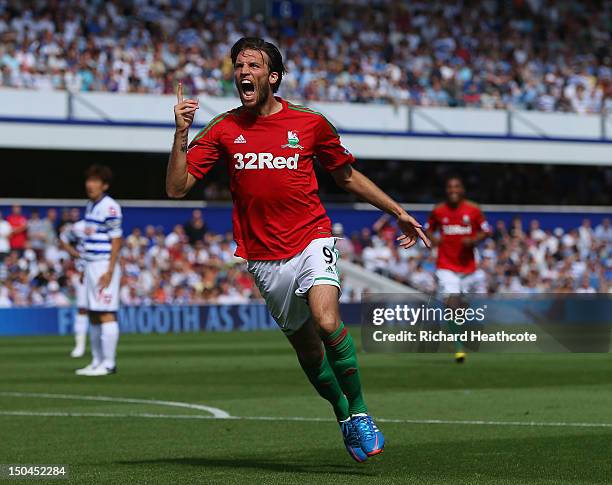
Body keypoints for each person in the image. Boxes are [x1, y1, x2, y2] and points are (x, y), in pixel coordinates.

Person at [166, 37, 430, 462]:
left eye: (252, 65)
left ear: (272, 77)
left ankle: (361, 411)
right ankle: (343, 414)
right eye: (238, 65)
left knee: (327, 322)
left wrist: (396, 209)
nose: (242, 71)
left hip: (312, 237)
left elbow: (345, 177)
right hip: (264, 257)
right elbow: (177, 188)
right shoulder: (222, 128)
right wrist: (180, 134)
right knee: (308, 350)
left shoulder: (310, 123)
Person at [426, 176, 490, 362]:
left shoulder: (473, 209)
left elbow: (486, 230)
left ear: (462, 189)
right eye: (450, 187)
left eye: (457, 186)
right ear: (446, 190)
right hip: (446, 265)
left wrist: (474, 239)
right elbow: (428, 227)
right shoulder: (438, 211)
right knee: (452, 303)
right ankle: (459, 347)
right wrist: (433, 238)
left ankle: (456, 331)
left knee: (461, 307)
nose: (453, 190)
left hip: (469, 267)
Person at [75, 165, 123, 377]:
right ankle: (96, 361)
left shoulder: (109, 207)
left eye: (95, 181)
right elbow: (89, 238)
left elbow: (116, 239)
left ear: (104, 185)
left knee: (105, 313)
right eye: (89, 180)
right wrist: (85, 265)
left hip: (104, 264)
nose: (90, 185)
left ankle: (109, 363)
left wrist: (110, 270)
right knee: (93, 314)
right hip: (91, 264)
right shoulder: (90, 206)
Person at [60, 219, 89, 358]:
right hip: (83, 271)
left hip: (102, 272)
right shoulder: (79, 226)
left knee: (102, 310)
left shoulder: (106, 223)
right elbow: (63, 238)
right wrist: (76, 254)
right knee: (82, 308)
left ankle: (101, 347)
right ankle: (80, 345)